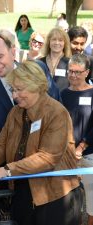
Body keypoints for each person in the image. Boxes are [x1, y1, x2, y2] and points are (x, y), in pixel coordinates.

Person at [0, 60, 82, 225]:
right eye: (13, 90)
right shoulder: (15, 112)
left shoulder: (57, 113)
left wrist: (6, 170)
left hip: (54, 196)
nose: (14, 96)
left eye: (19, 90)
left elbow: (47, 158)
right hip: (22, 192)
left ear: (36, 86)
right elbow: (0, 146)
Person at [60, 54, 93, 225]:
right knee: (69, 202)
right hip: (66, 156)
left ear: (87, 72)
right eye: (70, 71)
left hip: (88, 156)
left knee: (92, 202)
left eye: (77, 72)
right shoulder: (62, 94)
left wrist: (81, 147)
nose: (73, 75)